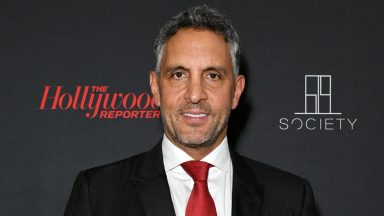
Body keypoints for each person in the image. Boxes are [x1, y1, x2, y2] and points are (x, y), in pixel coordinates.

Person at [64, 5, 318, 216]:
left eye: (213, 76)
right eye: (178, 74)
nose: (195, 95)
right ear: (155, 88)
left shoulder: (291, 199)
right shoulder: (98, 193)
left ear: (236, 91)